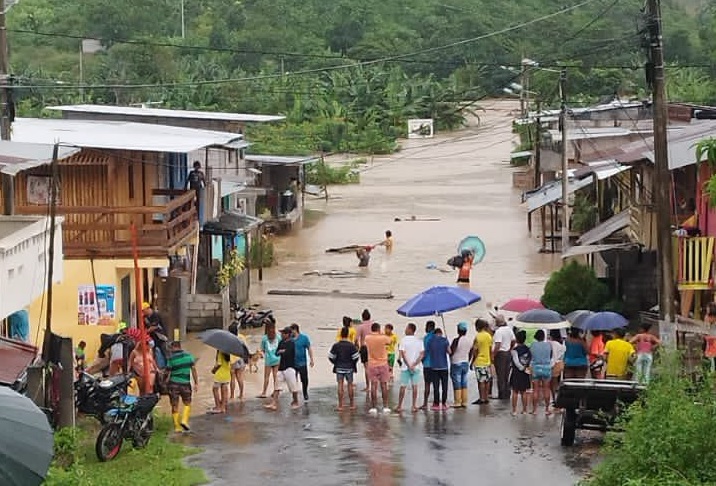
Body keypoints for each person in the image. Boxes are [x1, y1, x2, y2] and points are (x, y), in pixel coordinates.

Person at [166, 341, 199, 433]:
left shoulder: (171, 358)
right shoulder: (189, 356)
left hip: (173, 384)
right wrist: (196, 383)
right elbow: (194, 370)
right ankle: (184, 420)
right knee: (187, 403)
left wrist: (165, 384)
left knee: (174, 405)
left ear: (173, 347)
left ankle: (177, 427)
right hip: (186, 383)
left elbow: (167, 373)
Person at [265, 327, 300, 410]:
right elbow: (277, 353)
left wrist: (282, 351)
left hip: (290, 368)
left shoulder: (292, 343)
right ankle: (274, 403)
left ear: (287, 334)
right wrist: (281, 351)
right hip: (281, 368)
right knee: (277, 386)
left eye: (283, 333)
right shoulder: (281, 342)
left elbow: (288, 353)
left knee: (293, 387)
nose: (281, 335)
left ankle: (295, 401)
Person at [328, 327, 360, 411]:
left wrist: (335, 363)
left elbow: (330, 356)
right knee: (350, 385)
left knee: (340, 385)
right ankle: (352, 404)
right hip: (349, 367)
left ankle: (340, 405)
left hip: (339, 367)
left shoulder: (336, 345)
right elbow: (356, 357)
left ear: (341, 334)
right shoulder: (351, 346)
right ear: (348, 334)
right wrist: (353, 364)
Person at [396, 323, 425, 413]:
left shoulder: (403, 340)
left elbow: (402, 354)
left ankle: (400, 406)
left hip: (405, 367)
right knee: (415, 386)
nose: (405, 330)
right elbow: (422, 354)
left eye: (406, 328)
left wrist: (408, 365)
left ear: (410, 329)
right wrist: (414, 364)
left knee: (403, 386)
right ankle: (413, 406)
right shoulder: (419, 341)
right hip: (416, 367)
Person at [364, 322, 392, 414]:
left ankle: (373, 407)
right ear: (379, 329)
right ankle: (385, 406)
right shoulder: (383, 338)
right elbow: (390, 341)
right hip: (383, 363)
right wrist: (382, 334)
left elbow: (364, 344)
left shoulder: (367, 338)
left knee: (373, 385)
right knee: (384, 385)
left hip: (372, 363)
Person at [469, 319, 493, 405]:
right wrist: (491, 360)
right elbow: (490, 350)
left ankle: (481, 398)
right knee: (487, 380)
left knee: (481, 381)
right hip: (487, 361)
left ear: (478, 327)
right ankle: (486, 397)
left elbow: (475, 351)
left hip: (479, 362)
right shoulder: (489, 336)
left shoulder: (478, 337)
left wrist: (471, 362)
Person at [492, 316, 516, 400]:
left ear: (497, 323)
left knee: (500, 375)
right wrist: (510, 348)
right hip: (507, 353)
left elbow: (497, 344)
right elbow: (513, 341)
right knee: (506, 374)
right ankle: (507, 392)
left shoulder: (498, 331)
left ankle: (501, 394)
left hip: (500, 354)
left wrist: (493, 355)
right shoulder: (509, 329)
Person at [530, 330, 553, 415]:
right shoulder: (548, 345)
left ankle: (534, 410)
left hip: (536, 368)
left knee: (535, 390)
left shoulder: (533, 345)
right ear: (544, 336)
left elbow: (531, 356)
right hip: (546, 367)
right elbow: (550, 356)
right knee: (546, 389)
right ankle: (547, 409)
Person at [449, 321, 472, 408]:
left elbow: (451, 352)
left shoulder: (456, 340)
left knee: (457, 382)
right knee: (464, 382)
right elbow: (471, 352)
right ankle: (464, 401)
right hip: (465, 362)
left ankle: (457, 401)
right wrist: (468, 360)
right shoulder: (469, 340)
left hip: (456, 363)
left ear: (458, 330)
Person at [509, 330, 532, 415]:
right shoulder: (528, 349)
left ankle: (514, 410)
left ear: (517, 339)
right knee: (524, 391)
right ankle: (525, 410)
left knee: (515, 391)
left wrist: (521, 368)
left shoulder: (514, 350)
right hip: (525, 372)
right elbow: (530, 359)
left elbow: (516, 361)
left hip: (516, 372)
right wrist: (525, 367)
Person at [290, 323, 314, 401]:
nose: (291, 333)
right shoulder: (289, 339)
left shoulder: (304, 338)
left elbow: (309, 348)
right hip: (292, 363)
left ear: (295, 330)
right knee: (293, 380)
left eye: (292, 331)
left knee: (304, 380)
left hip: (302, 363)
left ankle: (305, 393)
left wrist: (311, 359)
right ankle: (295, 395)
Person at [428, 328, 450, 411]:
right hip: (444, 366)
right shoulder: (445, 340)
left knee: (436, 386)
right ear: (441, 333)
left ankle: (436, 404)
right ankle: (444, 403)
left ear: (434, 334)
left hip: (434, 366)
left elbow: (429, 351)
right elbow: (449, 352)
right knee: (445, 386)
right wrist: (447, 343)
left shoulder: (430, 341)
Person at [142, 303, 168, 367]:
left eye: (144, 310)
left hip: (161, 337)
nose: (143, 312)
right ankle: (155, 367)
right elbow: (145, 327)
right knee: (152, 353)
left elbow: (154, 327)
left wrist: (145, 332)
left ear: (148, 309)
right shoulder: (145, 317)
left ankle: (168, 366)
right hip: (152, 338)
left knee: (164, 352)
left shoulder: (156, 315)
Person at [259, 321, 280, 398]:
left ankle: (264, 392)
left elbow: (262, 349)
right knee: (275, 377)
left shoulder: (265, 338)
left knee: (266, 377)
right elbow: (281, 347)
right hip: (277, 359)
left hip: (268, 360)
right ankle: (275, 391)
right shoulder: (278, 337)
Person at [356, 309, 374, 392]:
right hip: (374, 347)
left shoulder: (361, 326)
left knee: (366, 367)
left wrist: (357, 347)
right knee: (374, 366)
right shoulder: (374, 325)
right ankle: (374, 384)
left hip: (364, 347)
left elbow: (356, 339)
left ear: (362, 317)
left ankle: (368, 386)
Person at [420, 320, 437, 410]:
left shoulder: (426, 338)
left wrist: (421, 360)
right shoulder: (437, 337)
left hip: (427, 364)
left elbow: (425, 351)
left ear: (429, 327)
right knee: (436, 385)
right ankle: (435, 403)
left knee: (427, 384)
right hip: (436, 364)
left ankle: (425, 403)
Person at [549, 329, 566, 406]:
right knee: (556, 383)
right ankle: (557, 398)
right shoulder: (560, 345)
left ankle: (553, 398)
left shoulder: (549, 343)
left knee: (551, 383)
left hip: (550, 364)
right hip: (559, 364)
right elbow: (563, 353)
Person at [230, 332, 248, 401]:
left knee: (233, 378)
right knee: (240, 377)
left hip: (232, 360)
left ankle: (232, 396)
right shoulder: (242, 337)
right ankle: (241, 395)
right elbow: (245, 348)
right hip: (241, 359)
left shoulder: (229, 338)